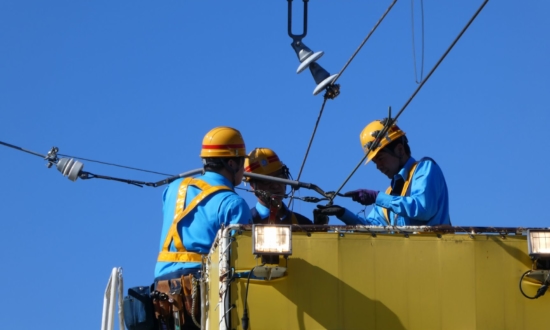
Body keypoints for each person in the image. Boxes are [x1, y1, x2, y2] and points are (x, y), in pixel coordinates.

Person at [153, 126, 252, 329]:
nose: (244, 168)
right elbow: (242, 260)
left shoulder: (173, 189)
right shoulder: (232, 203)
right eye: (242, 161)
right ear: (231, 163)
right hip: (199, 288)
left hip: (162, 289)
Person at [317, 118, 451, 226]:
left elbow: (423, 208)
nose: (378, 166)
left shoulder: (425, 168)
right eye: (375, 162)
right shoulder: (389, 195)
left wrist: (377, 198)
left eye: (380, 159)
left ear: (399, 150)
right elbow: (371, 227)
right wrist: (343, 213)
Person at [244, 148, 313, 225]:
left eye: (279, 177)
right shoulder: (245, 223)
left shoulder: (303, 224)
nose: (276, 185)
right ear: (252, 186)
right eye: (266, 180)